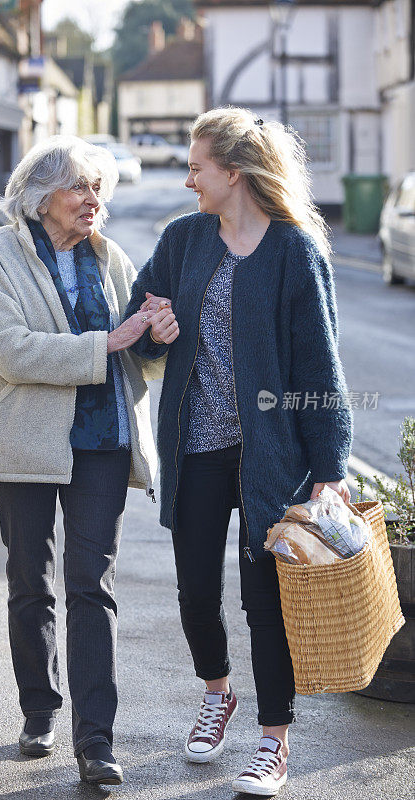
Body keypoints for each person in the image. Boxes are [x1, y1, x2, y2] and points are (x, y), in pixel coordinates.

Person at [125, 107, 353, 796]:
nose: (188, 178)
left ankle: (272, 741)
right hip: (194, 448)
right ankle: (216, 693)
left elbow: (319, 369)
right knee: (195, 592)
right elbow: (139, 327)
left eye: (198, 167)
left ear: (233, 171)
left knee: (265, 604)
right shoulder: (182, 240)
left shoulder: (293, 252)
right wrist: (152, 329)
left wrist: (331, 469)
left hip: (270, 459)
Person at [0, 135, 170, 786]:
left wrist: (159, 336)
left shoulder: (110, 257)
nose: (94, 199)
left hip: (102, 440)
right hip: (23, 441)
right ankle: (38, 709)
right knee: (31, 582)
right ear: (40, 195)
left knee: (90, 588)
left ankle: (95, 742)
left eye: (98, 187)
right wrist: (106, 342)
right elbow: (10, 351)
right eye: (80, 186)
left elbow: (138, 352)